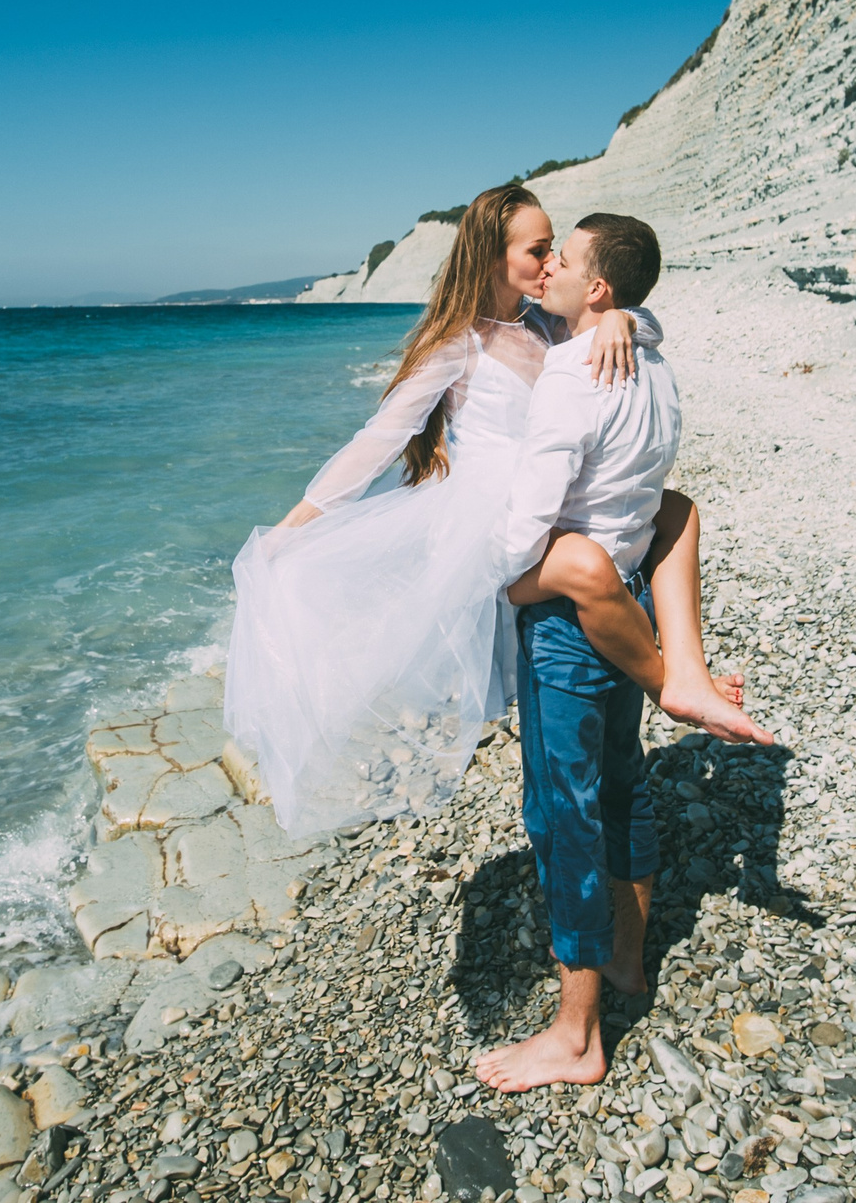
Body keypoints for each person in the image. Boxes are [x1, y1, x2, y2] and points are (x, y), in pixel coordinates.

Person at [224, 183, 663, 837]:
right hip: (496, 524)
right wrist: (295, 525)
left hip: (554, 516)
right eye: (537, 249)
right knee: (547, 699)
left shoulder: (547, 321)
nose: (549, 263)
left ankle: (638, 728)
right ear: (491, 255)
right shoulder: (458, 342)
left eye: (553, 250)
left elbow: (630, 317)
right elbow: (379, 440)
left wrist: (629, 319)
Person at [476, 212, 695, 1093]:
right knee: (622, 780)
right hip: (631, 598)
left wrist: (487, 581)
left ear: (595, 287)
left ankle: (575, 1037)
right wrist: (623, 318)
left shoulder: (573, 376)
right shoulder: (653, 359)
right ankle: (631, 961)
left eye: (562, 261)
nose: (549, 268)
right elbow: (645, 319)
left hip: (572, 621)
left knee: (562, 814)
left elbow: (530, 524)